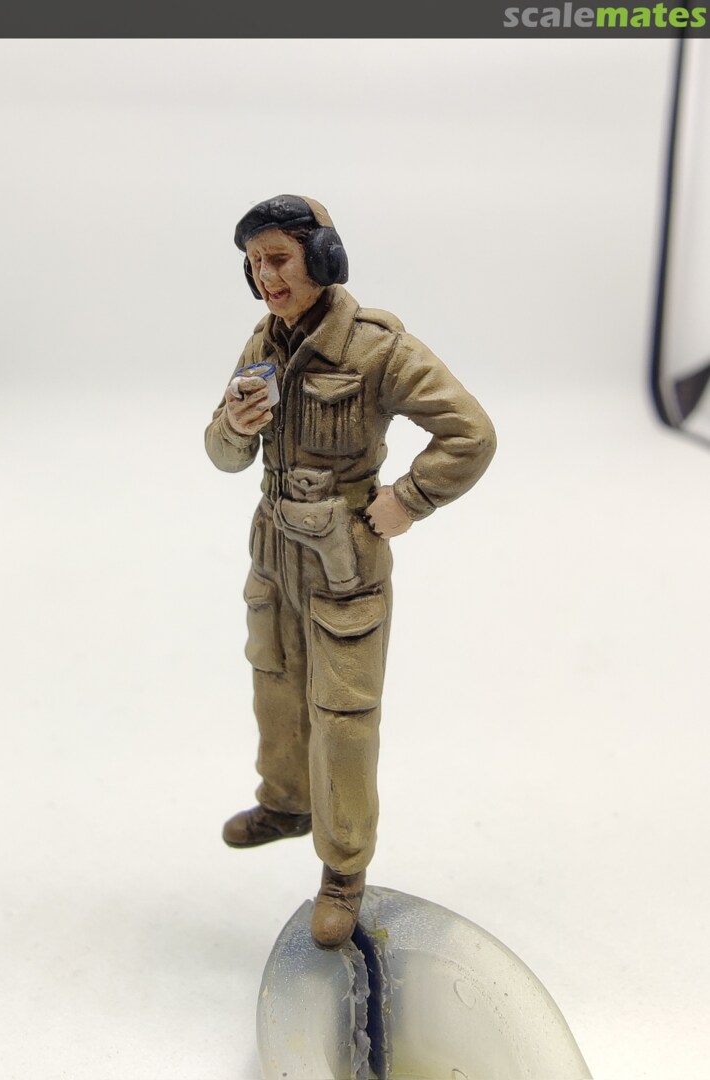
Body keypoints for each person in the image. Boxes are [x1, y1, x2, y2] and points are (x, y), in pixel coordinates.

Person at [205, 195, 496, 949]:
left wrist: (409, 498)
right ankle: (287, 803)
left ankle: (343, 870)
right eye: (254, 262)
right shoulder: (262, 340)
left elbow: (470, 434)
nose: (266, 276)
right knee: (275, 688)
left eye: (278, 258)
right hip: (274, 552)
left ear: (322, 258)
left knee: (343, 718)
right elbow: (221, 454)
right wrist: (232, 428)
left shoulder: (375, 348)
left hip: (343, 562)